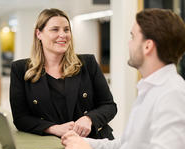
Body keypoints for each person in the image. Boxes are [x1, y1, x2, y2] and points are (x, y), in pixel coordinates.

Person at [61, 8, 185, 149]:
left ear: (148, 46)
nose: (129, 43)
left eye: (133, 37)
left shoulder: (172, 94)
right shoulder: (151, 88)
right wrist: (85, 144)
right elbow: (127, 145)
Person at [9, 8, 117, 139]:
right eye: (55, 29)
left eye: (66, 29)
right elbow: (21, 118)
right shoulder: (20, 69)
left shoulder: (88, 64)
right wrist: (54, 129)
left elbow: (109, 106)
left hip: (92, 143)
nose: (63, 35)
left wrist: (89, 119)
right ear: (39, 34)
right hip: (50, 145)